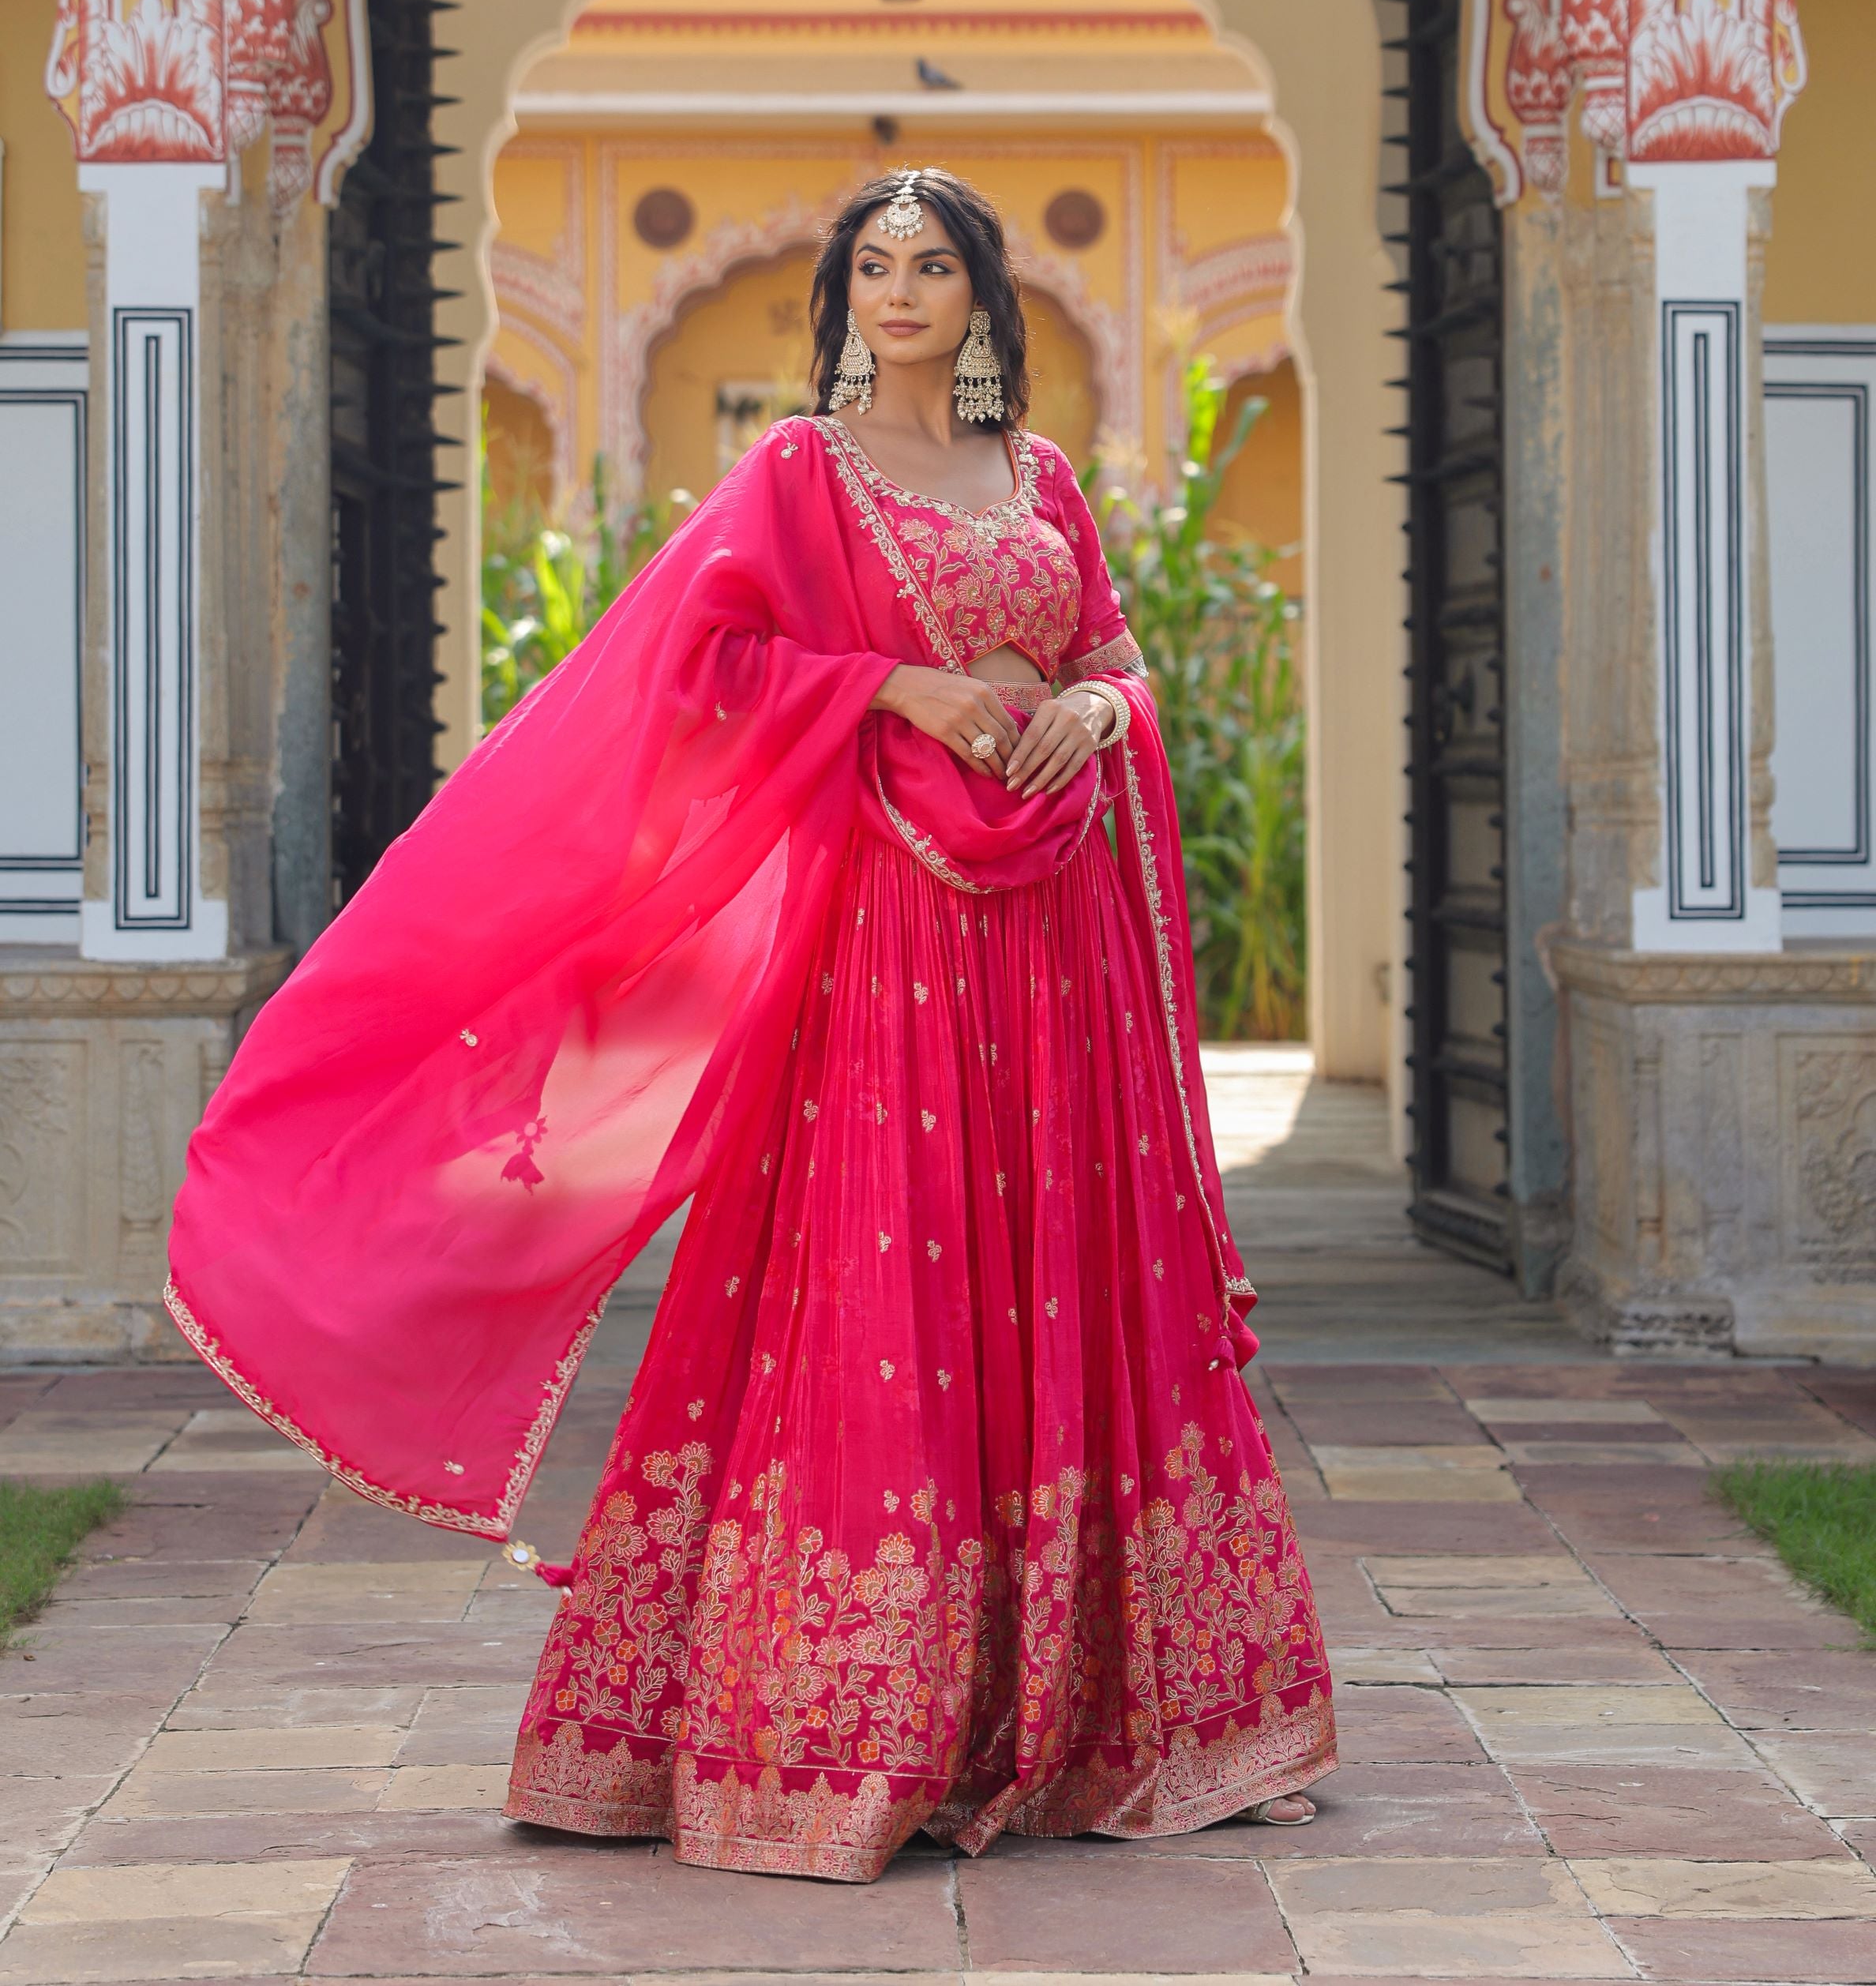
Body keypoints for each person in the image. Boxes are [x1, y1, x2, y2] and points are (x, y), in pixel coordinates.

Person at [167, 169, 1332, 1883]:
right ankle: (860, 1726)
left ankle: (1098, 1720)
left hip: (1056, 942)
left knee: (1058, 1277)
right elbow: (697, 668)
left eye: (935, 266)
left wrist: (1099, 704)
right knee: (898, 1288)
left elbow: (1115, 651)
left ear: (985, 297)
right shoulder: (805, 475)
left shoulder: (1046, 477)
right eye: (875, 267)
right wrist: (891, 684)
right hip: (895, 947)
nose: (903, 291)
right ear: (844, 298)